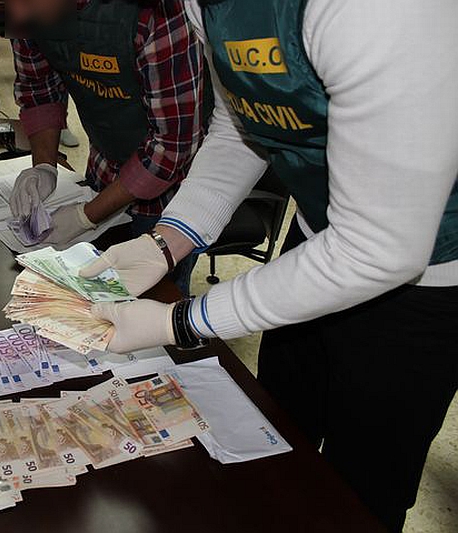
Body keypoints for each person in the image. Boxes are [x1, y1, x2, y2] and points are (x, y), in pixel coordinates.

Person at [80, 1, 458, 531]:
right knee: (276, 438)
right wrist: (167, 241)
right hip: (317, 243)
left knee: (361, 490)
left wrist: (182, 321)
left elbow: (380, 247)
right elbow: (241, 127)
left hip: (425, 284)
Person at [7, 0, 205, 293]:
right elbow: (38, 90)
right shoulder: (28, 15)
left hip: (172, 198)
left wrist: (84, 217)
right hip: (104, 169)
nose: (18, 13)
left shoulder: (155, 13)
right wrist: (44, 167)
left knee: (156, 299)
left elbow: (171, 146)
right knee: (88, 293)